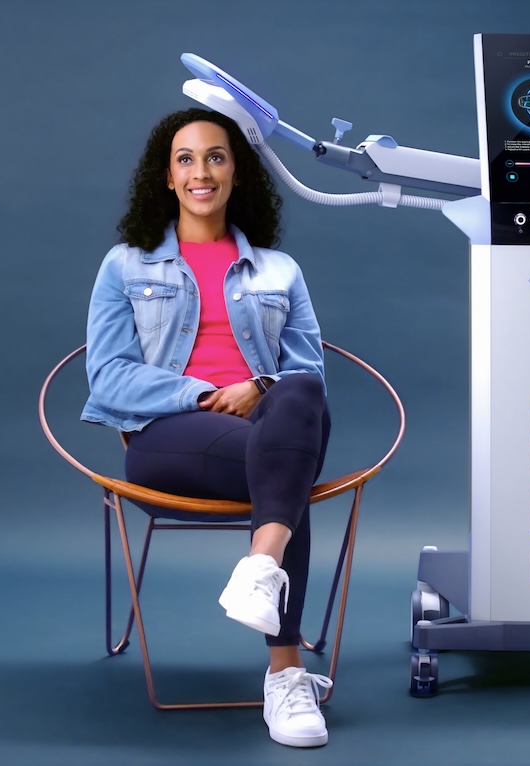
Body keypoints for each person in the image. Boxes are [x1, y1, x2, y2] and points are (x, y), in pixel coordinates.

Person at [81, 108, 333, 748]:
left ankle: (259, 572)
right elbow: (107, 376)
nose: (202, 171)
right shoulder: (125, 266)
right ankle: (286, 666)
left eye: (216, 156)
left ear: (235, 172)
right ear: (166, 177)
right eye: (186, 159)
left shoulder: (280, 271)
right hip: (165, 437)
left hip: (266, 436)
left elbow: (309, 377)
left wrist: (262, 387)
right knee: (288, 474)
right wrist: (205, 393)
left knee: (298, 389)